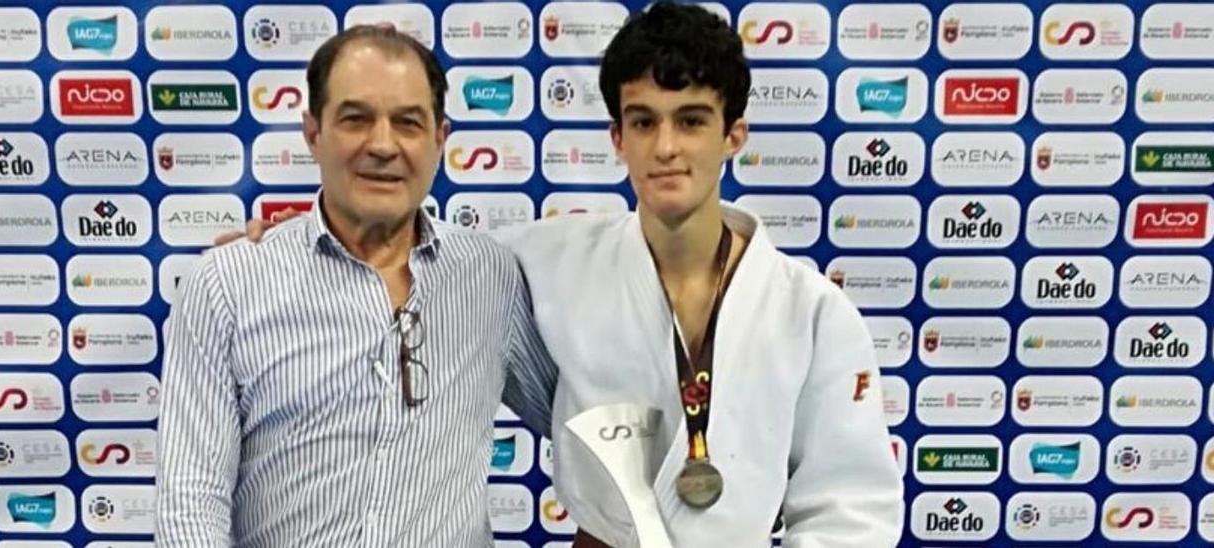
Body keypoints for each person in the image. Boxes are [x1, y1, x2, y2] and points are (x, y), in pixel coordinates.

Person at [235, 3, 903, 546]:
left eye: (692, 121)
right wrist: (284, 246)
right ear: (618, 138)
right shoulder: (549, 258)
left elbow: (850, 506)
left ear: (733, 135)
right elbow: (412, 247)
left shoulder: (812, 313)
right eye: (644, 122)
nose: (666, 147)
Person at [153, 25, 558, 548]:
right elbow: (191, 505)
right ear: (313, 132)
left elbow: (586, 423)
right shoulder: (227, 284)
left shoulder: (493, 276)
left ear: (440, 139)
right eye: (355, 119)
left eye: (408, 123)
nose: (383, 145)